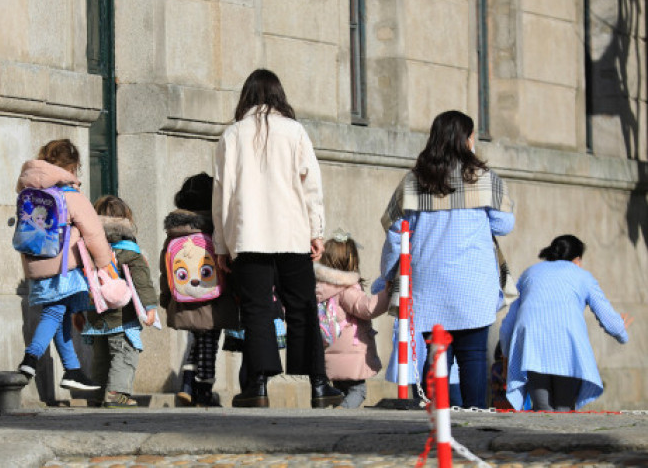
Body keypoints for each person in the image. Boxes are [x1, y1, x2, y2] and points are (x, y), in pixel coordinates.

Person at [212, 68, 343, 408]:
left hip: (248, 234)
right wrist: (317, 230)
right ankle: (315, 382)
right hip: (292, 233)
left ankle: (258, 385)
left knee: (256, 310)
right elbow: (311, 185)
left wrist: (221, 245)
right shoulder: (294, 131)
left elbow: (221, 195)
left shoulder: (232, 135)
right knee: (302, 306)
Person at [378, 110, 514, 408]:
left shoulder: (414, 180)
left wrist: (388, 273)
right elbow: (505, 224)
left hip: (430, 285)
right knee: (475, 356)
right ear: (467, 140)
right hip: (473, 284)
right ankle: (475, 417)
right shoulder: (484, 179)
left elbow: (396, 232)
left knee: (436, 354)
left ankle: (436, 418)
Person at [15, 139, 108, 392]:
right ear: (72, 167)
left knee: (62, 315)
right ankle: (30, 358)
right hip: (64, 266)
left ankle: (72, 370)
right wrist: (105, 264)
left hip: (37, 262)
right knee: (55, 312)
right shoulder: (69, 194)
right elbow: (94, 233)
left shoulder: (30, 191)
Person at [499, 235, 632, 411]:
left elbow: (510, 322)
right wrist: (621, 332)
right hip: (567, 346)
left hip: (532, 345)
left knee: (542, 408)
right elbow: (608, 318)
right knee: (564, 409)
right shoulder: (582, 276)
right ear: (577, 260)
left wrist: (507, 353)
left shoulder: (530, 273)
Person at [159, 173, 239, 407]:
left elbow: (165, 267)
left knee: (196, 340)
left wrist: (166, 297)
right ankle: (203, 389)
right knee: (209, 345)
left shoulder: (175, 232)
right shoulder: (216, 231)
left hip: (184, 298)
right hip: (214, 300)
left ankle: (186, 384)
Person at [79, 195, 158, 408]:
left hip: (94, 315)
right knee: (124, 353)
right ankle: (116, 394)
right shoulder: (130, 252)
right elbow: (142, 282)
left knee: (100, 358)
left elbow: (79, 280)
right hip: (123, 316)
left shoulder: (87, 249)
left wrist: (77, 311)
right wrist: (150, 307)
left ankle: (96, 394)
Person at [314, 232, 389, 409]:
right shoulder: (345, 289)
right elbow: (367, 308)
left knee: (339, 392)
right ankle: (340, 415)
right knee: (358, 392)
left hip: (330, 353)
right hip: (351, 355)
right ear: (351, 261)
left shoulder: (320, 287)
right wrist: (388, 293)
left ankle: (335, 414)